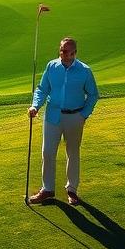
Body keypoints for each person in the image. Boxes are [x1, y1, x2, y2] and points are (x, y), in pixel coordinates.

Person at [27, 37, 99, 206]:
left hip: (75, 117)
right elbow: (43, 89)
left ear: (75, 52)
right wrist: (35, 106)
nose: (66, 55)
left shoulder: (84, 71)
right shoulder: (52, 66)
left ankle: (72, 189)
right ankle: (47, 189)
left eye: (70, 52)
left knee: (72, 153)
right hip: (53, 116)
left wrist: (84, 115)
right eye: (63, 51)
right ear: (59, 51)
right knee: (47, 152)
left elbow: (93, 94)